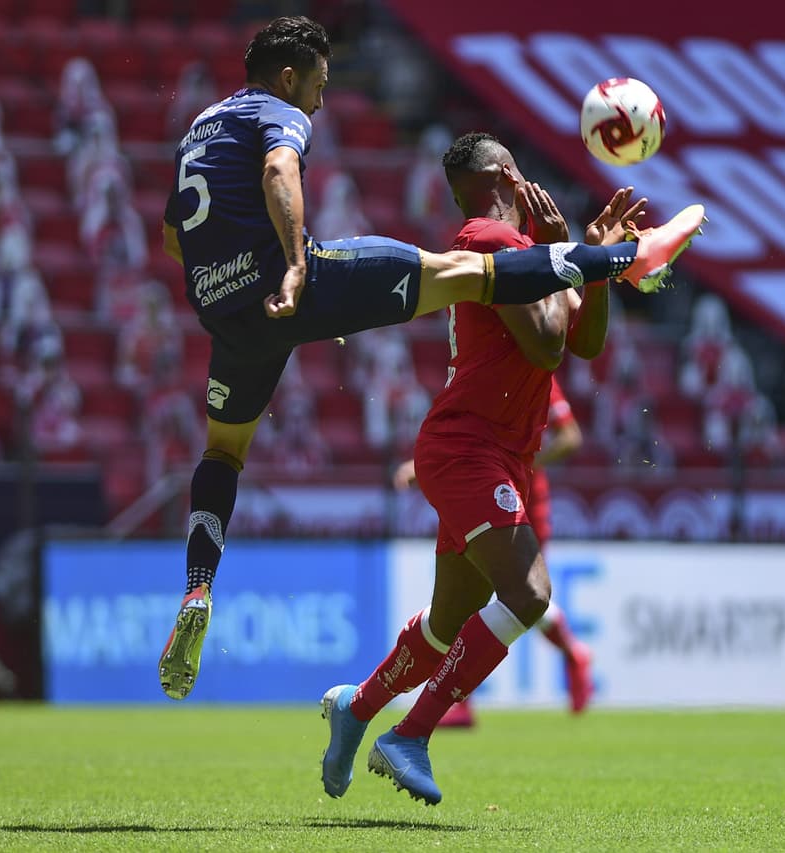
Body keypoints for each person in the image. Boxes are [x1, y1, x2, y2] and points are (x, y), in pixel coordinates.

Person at [154, 16, 706, 705]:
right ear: (291, 75)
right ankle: (628, 256)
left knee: (224, 454)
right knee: (467, 272)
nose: (322, 101)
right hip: (294, 285)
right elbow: (277, 168)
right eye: (320, 85)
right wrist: (298, 270)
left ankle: (199, 584)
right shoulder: (277, 111)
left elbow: (176, 240)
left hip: (228, 317)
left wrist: (240, 286)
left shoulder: (200, 129)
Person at [316, 130, 648, 806]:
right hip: (470, 447)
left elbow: (586, 340)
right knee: (528, 594)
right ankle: (410, 733)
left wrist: (594, 264)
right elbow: (549, 344)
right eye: (521, 166)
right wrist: (568, 255)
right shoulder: (491, 240)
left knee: (447, 622)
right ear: (504, 171)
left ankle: (357, 707)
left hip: (493, 449)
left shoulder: (521, 249)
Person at [390, 373, 593, 730]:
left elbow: (570, 436)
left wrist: (519, 465)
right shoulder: (484, 363)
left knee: (506, 593)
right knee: (502, 595)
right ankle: (572, 653)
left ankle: (460, 701)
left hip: (517, 501)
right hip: (486, 491)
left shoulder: (532, 366)